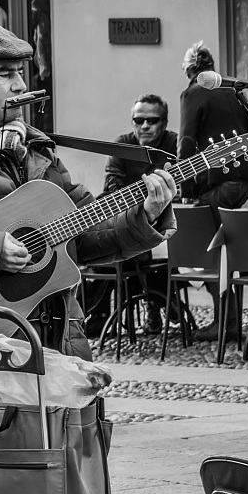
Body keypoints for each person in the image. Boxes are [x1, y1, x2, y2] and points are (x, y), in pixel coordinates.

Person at [0, 22, 177, 419]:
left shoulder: (37, 151)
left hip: (56, 340)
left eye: (21, 72)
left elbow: (85, 234)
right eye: (5, 74)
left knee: (66, 475)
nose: (20, 84)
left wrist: (145, 216)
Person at [179, 40, 248, 340]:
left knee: (207, 243)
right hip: (245, 179)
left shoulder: (192, 93)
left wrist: (186, 189)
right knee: (221, 243)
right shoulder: (231, 91)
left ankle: (225, 324)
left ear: (189, 70)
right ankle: (228, 321)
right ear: (211, 67)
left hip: (219, 179)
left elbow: (186, 142)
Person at [90, 93, 180, 336]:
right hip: (125, 228)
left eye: (152, 120)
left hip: (162, 233)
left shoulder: (173, 144)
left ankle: (154, 302)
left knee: (155, 241)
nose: (145, 126)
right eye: (138, 120)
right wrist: (147, 201)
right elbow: (112, 191)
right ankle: (158, 302)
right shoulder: (123, 145)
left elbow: (182, 192)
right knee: (114, 247)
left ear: (164, 122)